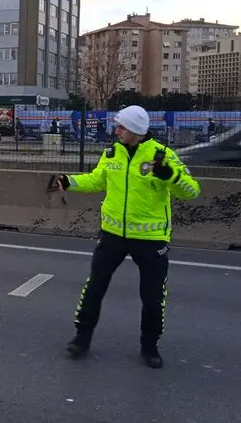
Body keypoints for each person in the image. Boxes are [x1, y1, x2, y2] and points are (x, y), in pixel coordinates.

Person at [47, 105, 201, 369]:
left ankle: (149, 346)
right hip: (112, 235)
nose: (116, 130)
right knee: (94, 287)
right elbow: (97, 180)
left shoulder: (163, 156)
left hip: (151, 239)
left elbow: (192, 191)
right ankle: (81, 338)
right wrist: (69, 181)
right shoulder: (112, 153)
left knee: (152, 297)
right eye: (117, 125)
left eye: (122, 127)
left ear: (137, 131)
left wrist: (170, 175)